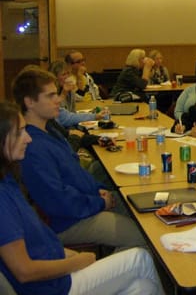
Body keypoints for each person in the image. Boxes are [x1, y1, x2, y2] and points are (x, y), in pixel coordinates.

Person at [0, 102, 164, 295]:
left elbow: (41, 241)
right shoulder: (3, 198)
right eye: (19, 132)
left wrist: (71, 256)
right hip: (56, 287)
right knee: (141, 258)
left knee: (143, 287)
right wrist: (77, 262)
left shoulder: (9, 181)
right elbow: (24, 271)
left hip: (59, 270)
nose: (27, 138)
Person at [12, 67, 146, 249]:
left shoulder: (51, 131)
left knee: (142, 209)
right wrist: (99, 202)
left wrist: (98, 191)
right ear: (29, 102)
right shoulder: (32, 146)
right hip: (68, 222)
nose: (58, 100)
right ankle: (116, 273)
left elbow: (76, 174)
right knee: (140, 236)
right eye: (50, 96)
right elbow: (57, 200)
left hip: (85, 204)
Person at [48, 61, 104, 128]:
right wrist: (64, 93)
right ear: (55, 77)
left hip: (69, 127)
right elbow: (61, 116)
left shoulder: (69, 91)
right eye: (64, 74)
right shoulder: (50, 93)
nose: (67, 77)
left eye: (68, 73)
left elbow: (72, 113)